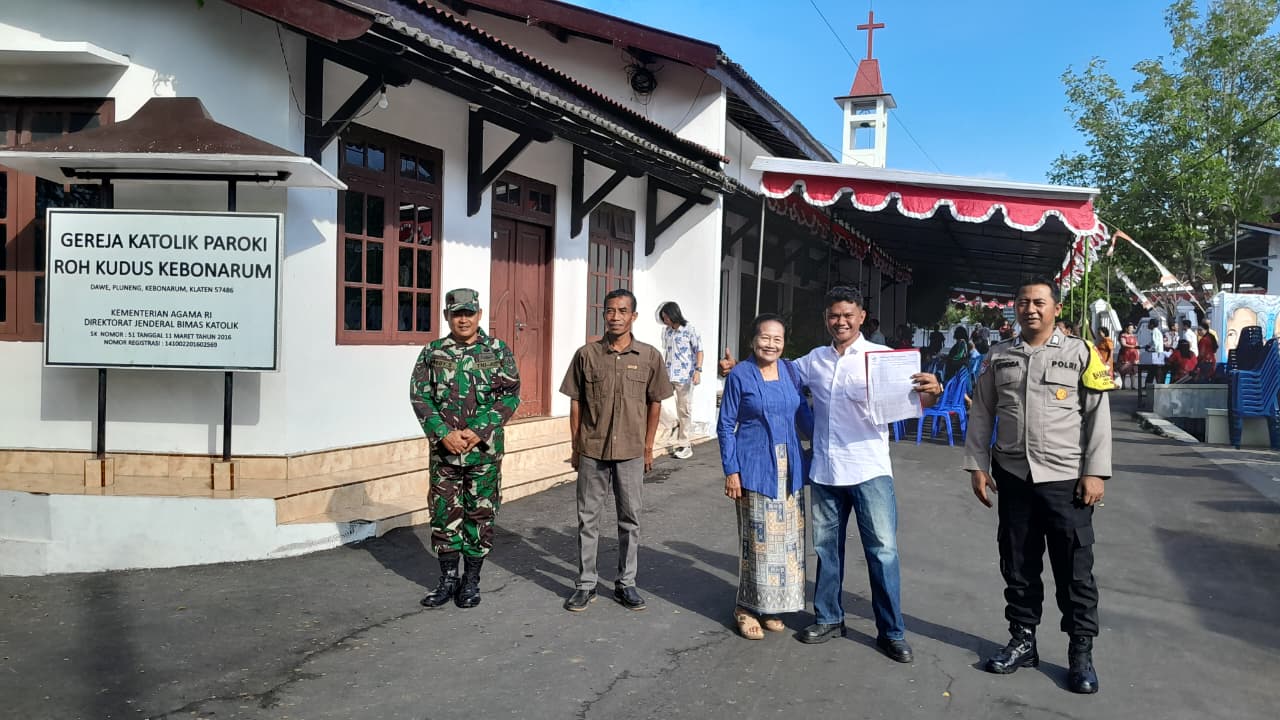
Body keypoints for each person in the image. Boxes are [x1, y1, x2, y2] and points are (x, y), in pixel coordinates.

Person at [964, 277, 1113, 695]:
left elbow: (1097, 414)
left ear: (1056, 309)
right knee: (1018, 563)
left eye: (1039, 302)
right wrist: (977, 465)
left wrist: (1096, 472)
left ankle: (1080, 653)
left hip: (1066, 480)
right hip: (1014, 477)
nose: (1030, 309)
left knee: (1074, 570)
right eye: (1023, 302)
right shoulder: (998, 356)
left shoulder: (1081, 353)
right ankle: (1023, 640)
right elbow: (982, 412)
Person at [792, 286, 942, 661]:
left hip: (869, 469)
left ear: (861, 317)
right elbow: (777, 375)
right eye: (833, 315)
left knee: (883, 552)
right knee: (827, 550)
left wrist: (934, 391)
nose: (840, 322)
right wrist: (740, 370)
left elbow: (917, 401)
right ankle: (829, 618)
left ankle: (891, 632)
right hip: (826, 470)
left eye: (848, 315)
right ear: (826, 319)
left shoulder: (884, 359)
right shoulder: (814, 360)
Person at [560, 289, 673, 613]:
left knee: (630, 519)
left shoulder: (649, 356)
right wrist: (576, 446)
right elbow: (576, 402)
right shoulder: (586, 355)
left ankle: (626, 583)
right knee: (588, 519)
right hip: (593, 449)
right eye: (610, 310)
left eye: (623, 311)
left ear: (633, 316)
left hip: (631, 450)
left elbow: (655, 403)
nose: (615, 316)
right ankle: (586, 584)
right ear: (604, 314)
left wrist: (648, 447)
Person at [410, 288, 521, 609]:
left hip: (483, 452)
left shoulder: (497, 350)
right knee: (443, 514)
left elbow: (511, 394)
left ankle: (471, 581)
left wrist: (478, 430)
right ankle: (447, 579)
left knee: (480, 514)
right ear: (446, 316)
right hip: (445, 452)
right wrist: (443, 433)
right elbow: (420, 396)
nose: (463, 319)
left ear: (479, 315)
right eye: (456, 313)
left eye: (468, 313)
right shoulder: (433, 352)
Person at [718, 313, 814, 640]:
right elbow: (725, 426)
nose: (771, 344)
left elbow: (803, 414)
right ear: (753, 340)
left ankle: (772, 606)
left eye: (777, 339)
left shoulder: (790, 371)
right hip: (755, 468)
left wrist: (824, 442)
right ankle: (745, 607)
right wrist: (732, 471)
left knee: (787, 543)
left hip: (790, 469)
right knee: (757, 542)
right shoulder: (740, 375)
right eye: (765, 337)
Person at [658, 301, 703, 460]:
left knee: (684, 410)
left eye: (666, 317)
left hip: (685, 377)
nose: (664, 320)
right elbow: (667, 353)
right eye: (663, 318)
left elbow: (699, 351)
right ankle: (673, 425)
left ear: (673, 315)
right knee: (655, 400)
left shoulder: (690, 329)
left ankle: (685, 445)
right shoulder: (667, 331)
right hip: (668, 374)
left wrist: (698, 371)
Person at [1141, 319, 1165, 387]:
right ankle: (1149, 384)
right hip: (1159, 353)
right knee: (1153, 370)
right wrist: (1146, 346)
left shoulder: (1154, 332)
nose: (1148, 325)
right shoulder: (1157, 331)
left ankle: (1153, 385)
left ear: (1152, 325)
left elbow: (1155, 343)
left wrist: (1150, 349)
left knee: (1155, 370)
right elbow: (1152, 342)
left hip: (1156, 354)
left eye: (1149, 324)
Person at [1118, 324, 1140, 389]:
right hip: (1125, 354)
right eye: (1130, 328)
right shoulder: (1123, 335)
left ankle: (1133, 385)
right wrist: (1132, 346)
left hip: (1133, 355)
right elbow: (1123, 344)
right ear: (1126, 328)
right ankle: (1123, 385)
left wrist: (1138, 354)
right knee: (1123, 370)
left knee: (1133, 371)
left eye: (1132, 328)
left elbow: (1137, 345)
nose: (1131, 329)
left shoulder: (1134, 336)